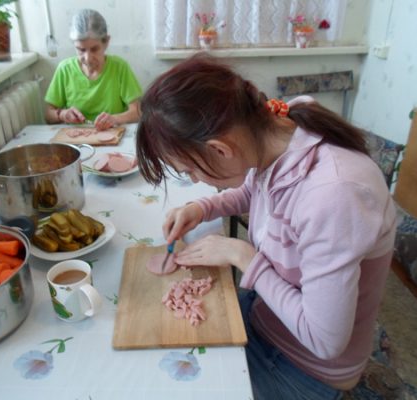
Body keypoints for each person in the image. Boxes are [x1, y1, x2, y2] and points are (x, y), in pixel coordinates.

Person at [136, 54, 396, 400]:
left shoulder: (334, 194)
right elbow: (257, 189)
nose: (195, 179)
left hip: (305, 366)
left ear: (220, 150)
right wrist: (202, 207)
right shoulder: (275, 130)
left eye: (190, 171)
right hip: (268, 315)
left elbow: (325, 341)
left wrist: (243, 257)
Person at [44, 9, 142, 130]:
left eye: (94, 49)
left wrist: (115, 119)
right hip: (76, 137)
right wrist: (62, 114)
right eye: (81, 50)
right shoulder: (64, 69)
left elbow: (137, 112)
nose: (88, 58)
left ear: (106, 42)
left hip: (111, 134)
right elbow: (48, 115)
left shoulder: (119, 67)